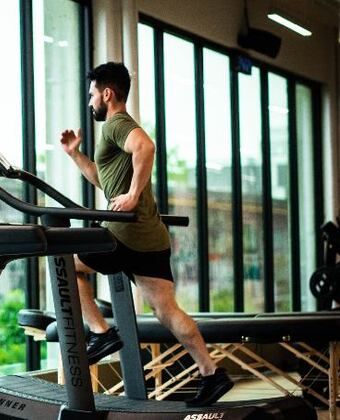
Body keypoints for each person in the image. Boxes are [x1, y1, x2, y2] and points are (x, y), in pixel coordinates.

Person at [60, 62, 233, 407]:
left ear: (107, 94)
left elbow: (147, 148)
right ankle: (212, 373)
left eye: (92, 94)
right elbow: (104, 180)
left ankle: (102, 334)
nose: (90, 101)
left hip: (123, 234)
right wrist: (75, 154)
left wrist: (134, 195)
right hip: (151, 237)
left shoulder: (116, 124)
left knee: (64, 263)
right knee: (167, 310)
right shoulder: (115, 131)